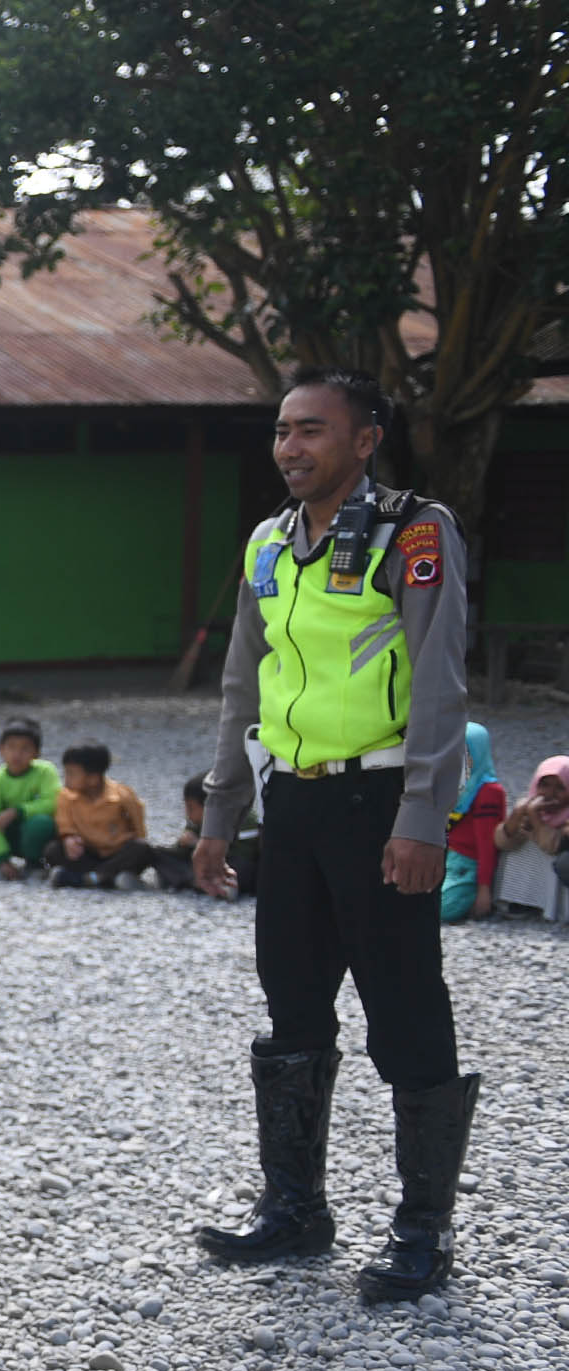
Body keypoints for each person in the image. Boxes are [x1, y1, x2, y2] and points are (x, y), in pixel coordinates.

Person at [194, 367, 478, 1304]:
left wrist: (423, 818)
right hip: (297, 810)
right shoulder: (268, 545)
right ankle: (295, 1210)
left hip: (381, 802)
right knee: (293, 1010)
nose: (289, 447)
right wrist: (221, 815)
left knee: (405, 1009)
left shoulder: (415, 532)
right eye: (281, 431)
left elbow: (438, 684)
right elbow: (246, 684)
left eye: (311, 430)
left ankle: (423, 1233)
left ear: (364, 441)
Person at [49, 741, 158, 889]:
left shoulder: (122, 795)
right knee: (53, 849)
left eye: (71, 774)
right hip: (86, 852)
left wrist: (135, 839)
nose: (66, 779)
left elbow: (138, 825)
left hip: (117, 852)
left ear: (93, 778)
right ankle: (106, 878)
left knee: (141, 849)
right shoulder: (66, 796)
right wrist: (68, 838)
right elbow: (63, 822)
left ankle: (86, 878)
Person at [0, 719, 60, 877]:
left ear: (37, 752)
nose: (17, 754)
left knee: (42, 822)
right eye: (11, 747)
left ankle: (34, 860)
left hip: (31, 832)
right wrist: (2, 859)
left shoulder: (46, 771)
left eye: (25, 749)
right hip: (5, 833)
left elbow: (53, 802)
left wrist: (17, 811)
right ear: (1, 749)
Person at [440, 722, 506, 924]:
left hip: (467, 867)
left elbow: (487, 846)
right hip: (445, 859)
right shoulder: (457, 786)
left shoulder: (488, 792)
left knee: (442, 910)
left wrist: (484, 890)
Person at [492, 755, 569, 921]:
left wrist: (536, 818)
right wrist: (516, 816)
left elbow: (552, 846)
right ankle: (519, 900)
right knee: (517, 844)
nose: (550, 794)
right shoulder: (530, 806)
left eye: (560, 788)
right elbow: (502, 844)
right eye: (544, 785)